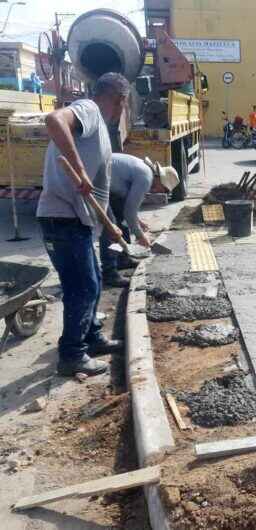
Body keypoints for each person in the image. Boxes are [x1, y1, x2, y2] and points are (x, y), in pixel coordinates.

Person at [37, 72, 130, 378]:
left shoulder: (100, 127)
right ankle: (72, 355)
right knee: (83, 286)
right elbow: (54, 120)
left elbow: (101, 189)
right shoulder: (89, 109)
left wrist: (111, 224)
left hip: (78, 220)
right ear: (119, 99)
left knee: (93, 280)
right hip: (62, 217)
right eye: (123, 103)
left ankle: (91, 338)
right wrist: (79, 170)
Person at [100, 154, 180, 287]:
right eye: (165, 189)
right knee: (111, 228)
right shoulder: (145, 178)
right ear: (160, 180)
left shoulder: (145, 171)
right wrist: (140, 235)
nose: (162, 192)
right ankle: (109, 273)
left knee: (122, 222)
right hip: (96, 183)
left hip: (106, 184)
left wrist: (137, 222)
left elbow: (128, 209)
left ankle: (122, 259)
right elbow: (129, 211)